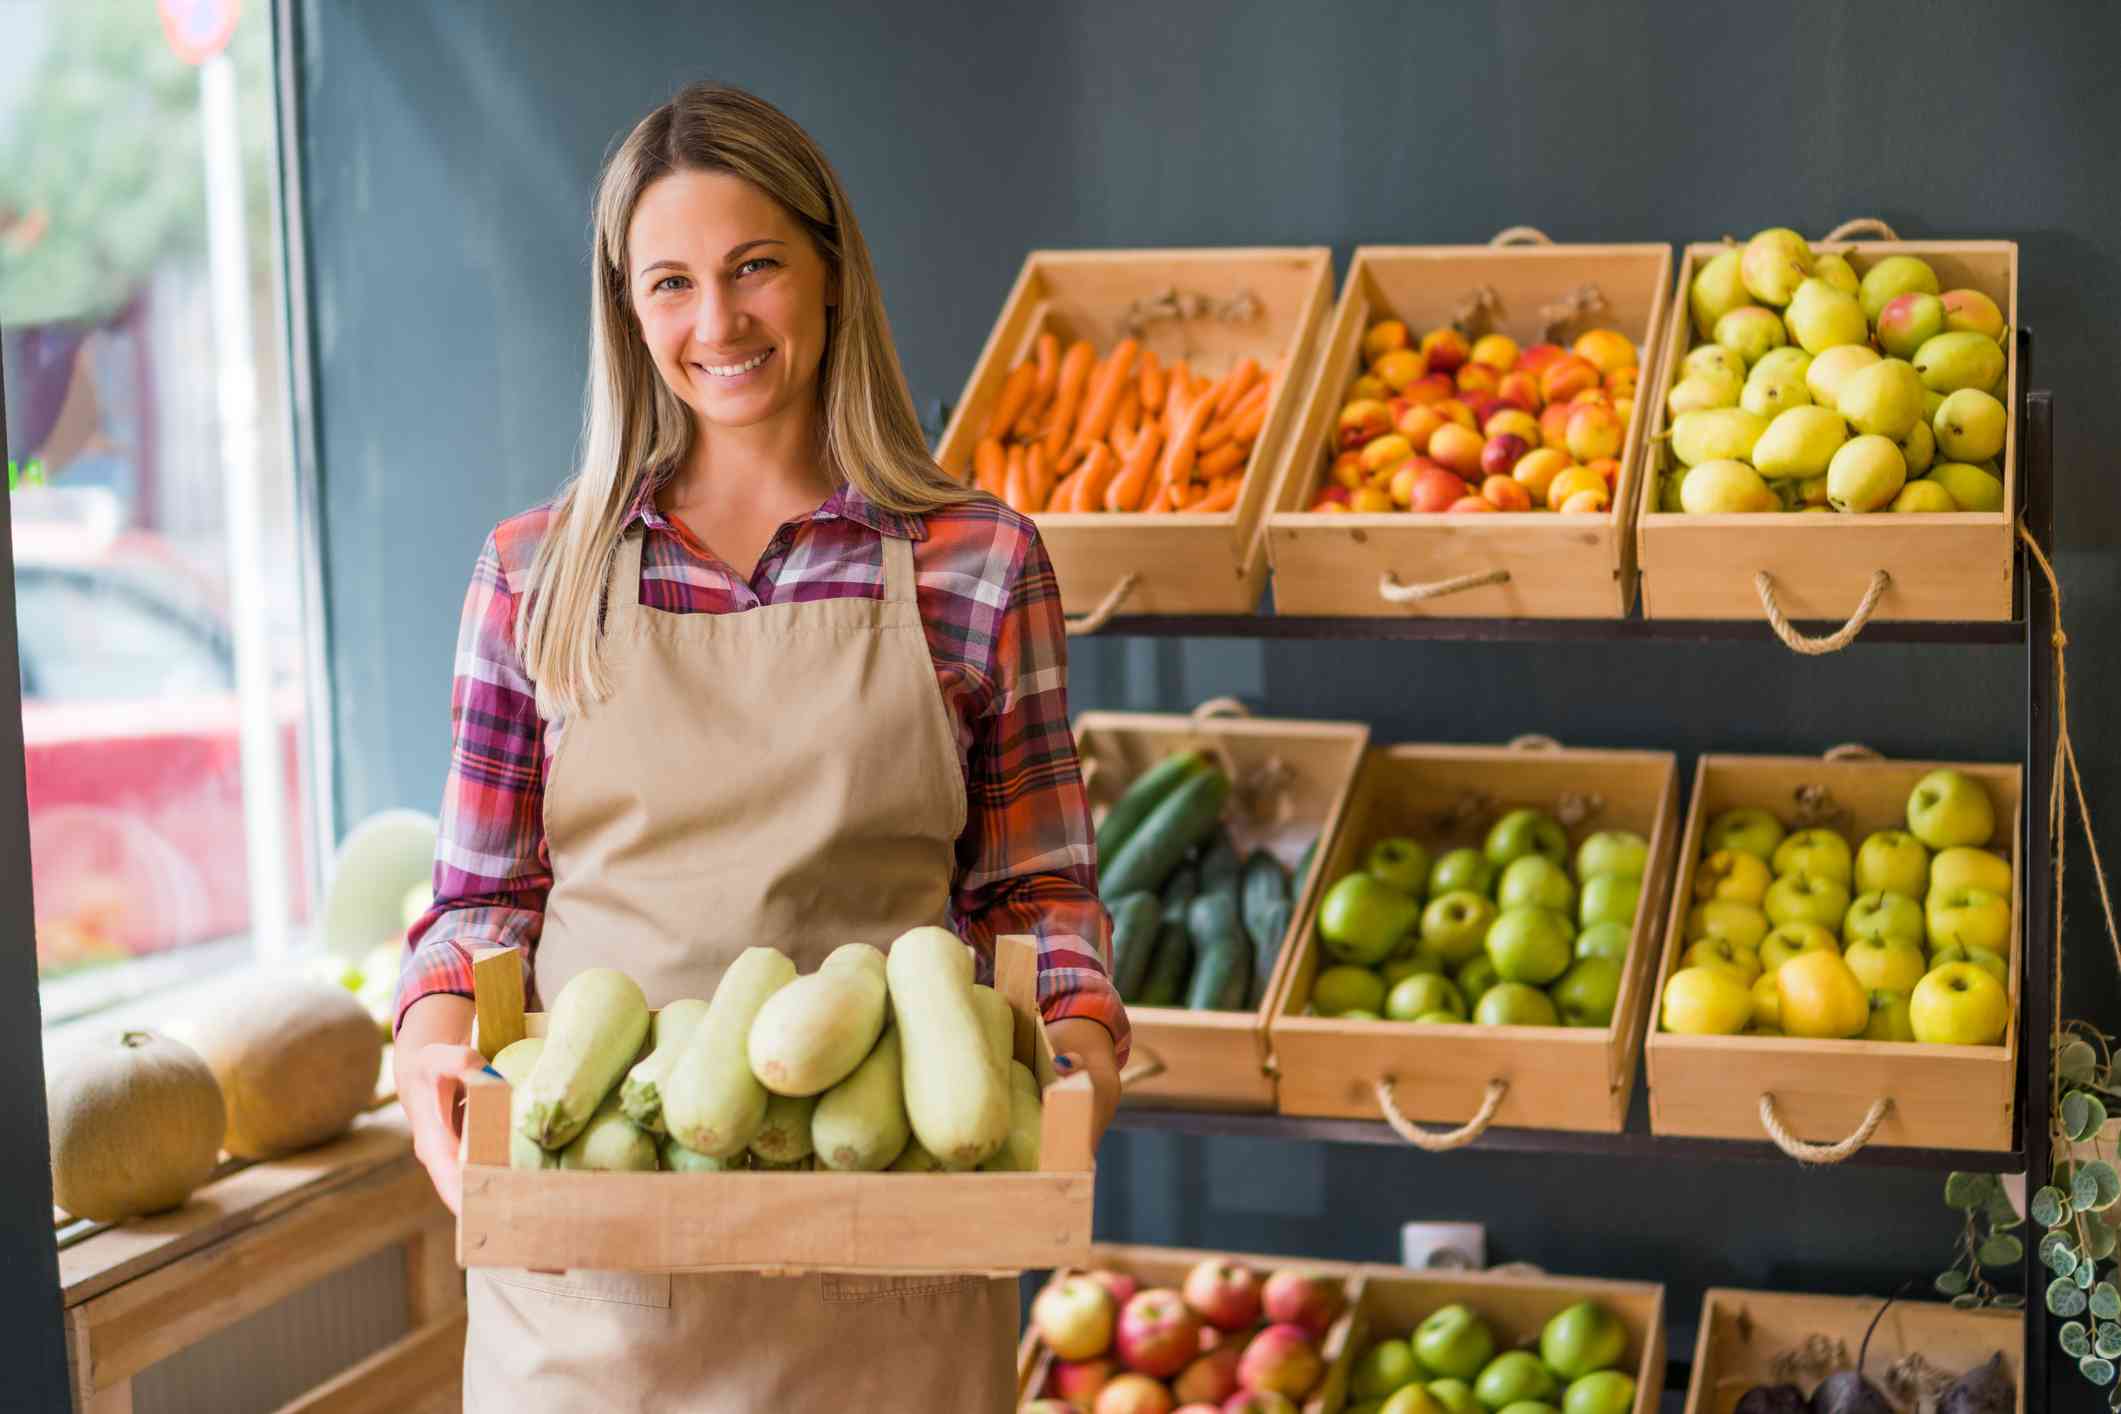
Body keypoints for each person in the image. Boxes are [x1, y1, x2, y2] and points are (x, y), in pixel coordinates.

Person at [391, 80, 1124, 1410]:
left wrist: (1075, 1057)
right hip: (590, 1291)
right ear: (626, 311)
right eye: (667, 283)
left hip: (887, 1260)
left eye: (753, 269)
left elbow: (1036, 894)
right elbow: (477, 905)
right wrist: (431, 1047)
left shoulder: (977, 566)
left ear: (830, 278)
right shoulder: (532, 575)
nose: (715, 321)